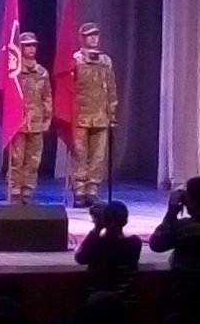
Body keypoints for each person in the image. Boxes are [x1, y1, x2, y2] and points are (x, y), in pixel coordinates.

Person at [71, 22, 118, 208]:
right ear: (82, 38)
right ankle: (79, 191)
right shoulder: (75, 60)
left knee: (98, 156)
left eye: (95, 35)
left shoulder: (105, 61)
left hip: (100, 115)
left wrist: (112, 113)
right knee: (80, 155)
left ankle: (92, 190)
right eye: (89, 35)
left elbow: (111, 88)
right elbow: (69, 89)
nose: (93, 38)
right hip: (80, 115)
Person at [8, 32, 52, 205]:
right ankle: (15, 191)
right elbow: (2, 97)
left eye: (33, 45)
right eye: (27, 46)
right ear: (20, 48)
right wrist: (5, 120)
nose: (31, 49)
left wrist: (47, 119)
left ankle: (27, 191)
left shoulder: (42, 72)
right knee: (17, 160)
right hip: (18, 123)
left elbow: (47, 97)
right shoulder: (14, 72)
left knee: (33, 160)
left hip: (36, 123)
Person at [149, 176, 200, 314]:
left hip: (185, 295)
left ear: (194, 201)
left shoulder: (183, 228)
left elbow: (156, 244)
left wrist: (171, 214)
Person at [75, 200, 142, 303]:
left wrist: (97, 227)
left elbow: (80, 258)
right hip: (125, 304)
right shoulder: (134, 243)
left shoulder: (97, 244)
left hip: (97, 305)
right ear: (125, 221)